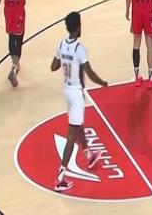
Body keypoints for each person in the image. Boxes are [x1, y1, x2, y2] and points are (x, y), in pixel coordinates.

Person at [51, 11, 108, 192]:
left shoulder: (61, 44)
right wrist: (102, 83)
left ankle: (88, 154)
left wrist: (64, 59)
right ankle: (60, 176)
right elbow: (89, 72)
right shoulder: (79, 49)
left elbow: (53, 66)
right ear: (77, 27)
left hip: (67, 91)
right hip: (75, 94)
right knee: (71, 134)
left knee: (78, 125)